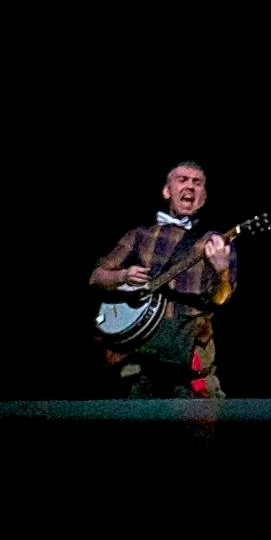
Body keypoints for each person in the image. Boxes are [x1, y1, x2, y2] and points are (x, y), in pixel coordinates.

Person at [89, 160, 236, 397]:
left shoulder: (215, 242)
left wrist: (222, 271)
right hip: (137, 361)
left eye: (197, 183)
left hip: (189, 362)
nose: (190, 187)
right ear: (167, 191)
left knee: (200, 420)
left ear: (204, 197)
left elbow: (220, 299)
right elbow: (96, 277)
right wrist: (123, 275)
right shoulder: (140, 235)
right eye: (182, 180)